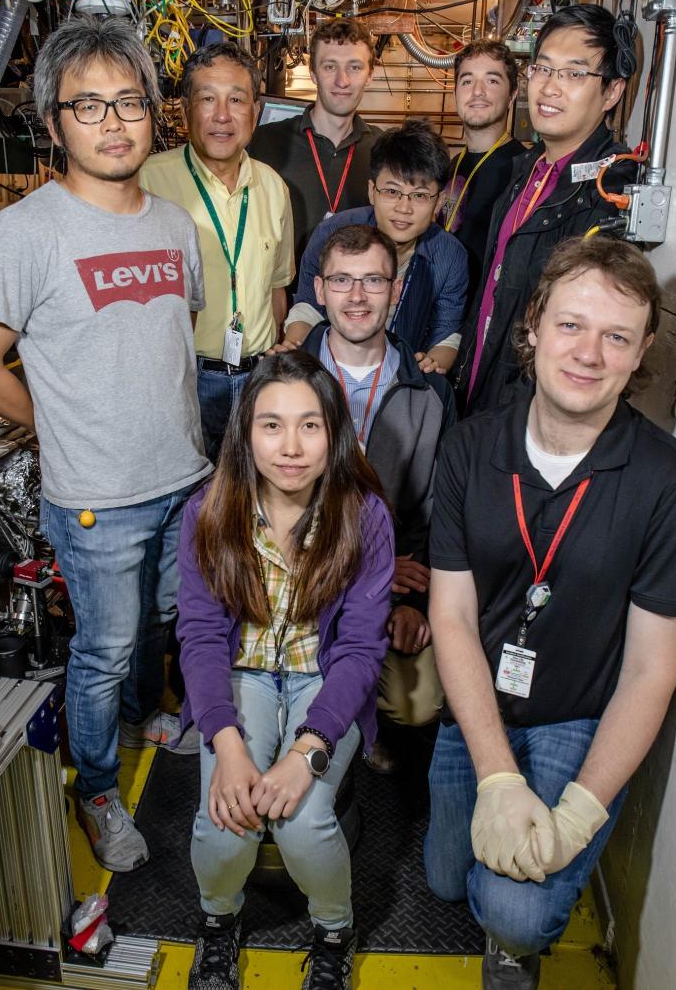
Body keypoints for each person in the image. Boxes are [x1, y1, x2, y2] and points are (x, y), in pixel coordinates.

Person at [0, 16, 212, 872]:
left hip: (184, 476)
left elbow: (173, 341)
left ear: (152, 114)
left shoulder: (175, 226)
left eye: (129, 101)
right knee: (100, 647)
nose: (112, 122)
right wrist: (54, 422)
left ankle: (149, 712)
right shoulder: (28, 232)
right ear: (54, 122)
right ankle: (96, 784)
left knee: (163, 619)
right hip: (96, 494)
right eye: (88, 105)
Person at [424, 236, 676, 989]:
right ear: (535, 326)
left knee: (510, 910)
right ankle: (493, 835)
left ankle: (513, 947)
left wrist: (579, 812)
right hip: (477, 699)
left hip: (574, 716)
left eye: (617, 335)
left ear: (644, 348)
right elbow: (451, 614)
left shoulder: (667, 479)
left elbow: (652, 666)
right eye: (572, 325)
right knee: (448, 880)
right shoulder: (471, 444)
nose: (589, 352)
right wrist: (494, 777)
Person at [177, 350, 395, 990]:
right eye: (271, 425)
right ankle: (218, 923)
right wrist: (225, 742)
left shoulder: (364, 516)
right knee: (225, 826)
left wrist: (308, 749)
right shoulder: (209, 512)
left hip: (323, 681)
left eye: (309, 425)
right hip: (239, 675)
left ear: (335, 432)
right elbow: (199, 636)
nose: (291, 446)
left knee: (302, 825)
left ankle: (335, 931)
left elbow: (359, 649)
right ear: (245, 433)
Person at [300, 225, 455, 770]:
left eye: (373, 280)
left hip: (386, 590)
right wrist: (369, 568)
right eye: (342, 280)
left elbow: (439, 511)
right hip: (294, 586)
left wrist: (411, 601)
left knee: (417, 703)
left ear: (397, 287)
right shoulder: (281, 381)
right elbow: (257, 517)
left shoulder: (429, 392)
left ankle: (357, 711)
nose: (357, 296)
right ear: (318, 290)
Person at [454, 3, 639, 415]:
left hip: (529, 412)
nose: (551, 88)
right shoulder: (526, 169)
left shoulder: (608, 192)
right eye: (543, 69)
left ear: (612, 91)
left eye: (574, 74)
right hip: (480, 392)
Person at [140, 42, 295, 460]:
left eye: (237, 100)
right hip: (186, 378)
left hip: (258, 379)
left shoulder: (274, 188)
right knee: (192, 508)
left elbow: (277, 287)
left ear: (256, 111)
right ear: (186, 108)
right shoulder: (148, 183)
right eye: (207, 98)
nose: (222, 115)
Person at [283, 119, 468, 374]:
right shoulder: (331, 234)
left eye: (420, 196)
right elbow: (307, 308)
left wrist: (422, 372)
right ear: (372, 191)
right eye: (392, 192)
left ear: (438, 203)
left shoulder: (451, 256)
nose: (404, 208)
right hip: (328, 369)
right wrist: (297, 352)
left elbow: (446, 336)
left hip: (403, 378)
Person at [248, 18, 380, 272]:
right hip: (284, 300)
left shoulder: (384, 150)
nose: (342, 81)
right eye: (330, 66)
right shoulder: (263, 143)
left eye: (354, 67)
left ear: (370, 75)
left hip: (356, 302)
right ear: (313, 73)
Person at [442, 40, 526, 300]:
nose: (477, 92)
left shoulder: (524, 171)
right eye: (467, 81)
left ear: (512, 95)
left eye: (492, 81)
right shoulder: (453, 166)